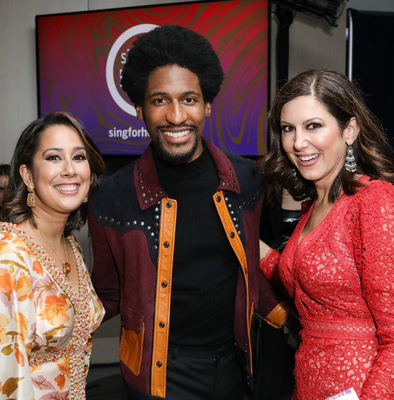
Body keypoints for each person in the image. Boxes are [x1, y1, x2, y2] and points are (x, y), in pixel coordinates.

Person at [88, 25, 290, 400]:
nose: (176, 115)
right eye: (160, 100)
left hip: (236, 363)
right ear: (139, 108)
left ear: (208, 104)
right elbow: (105, 295)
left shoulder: (248, 182)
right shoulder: (110, 200)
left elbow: (253, 266)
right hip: (158, 373)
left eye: (189, 99)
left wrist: (297, 317)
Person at [257, 68, 394, 399]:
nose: (298, 142)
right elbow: (301, 281)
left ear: (349, 129)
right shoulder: (316, 203)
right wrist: (244, 238)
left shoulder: (377, 205)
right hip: (308, 385)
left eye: (313, 126)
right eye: (288, 129)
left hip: (363, 389)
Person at [0, 112, 106, 400]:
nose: (70, 169)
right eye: (54, 157)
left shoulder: (70, 246)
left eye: (79, 157)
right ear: (27, 175)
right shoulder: (2, 256)